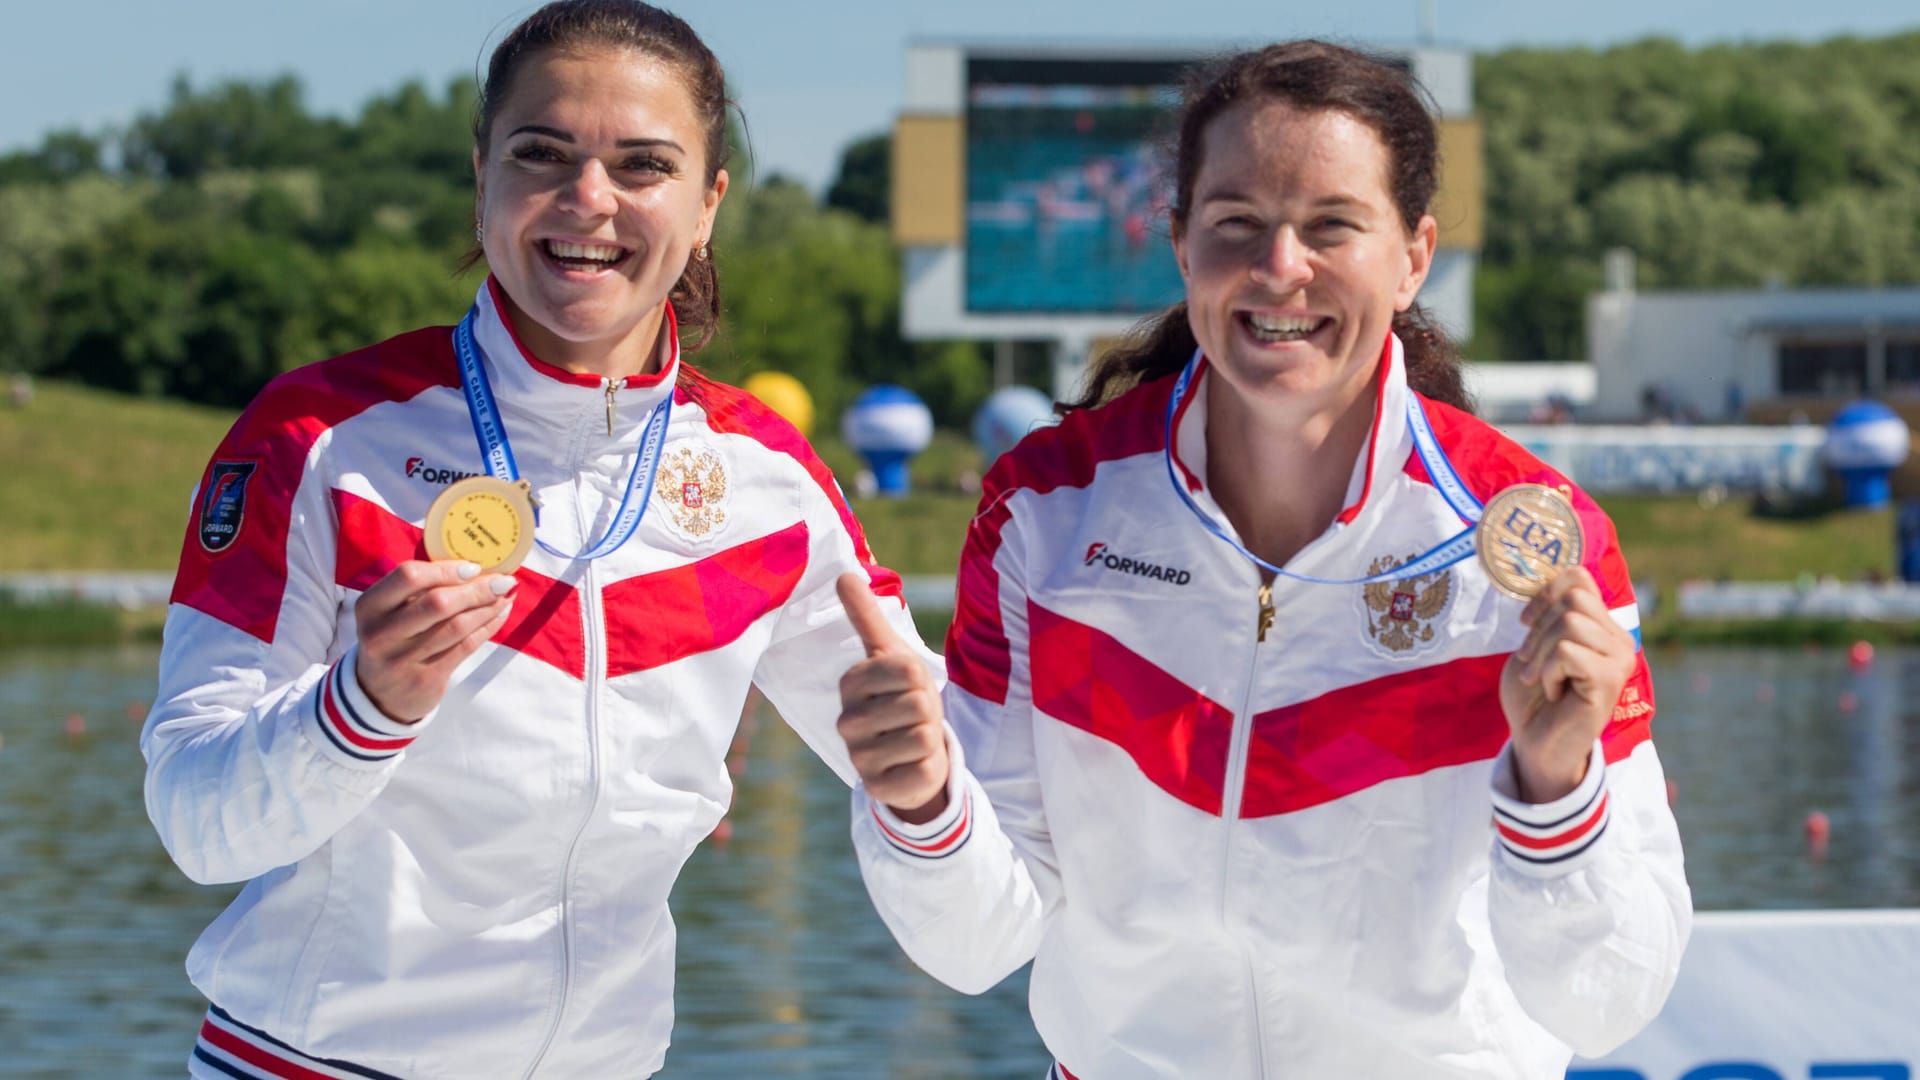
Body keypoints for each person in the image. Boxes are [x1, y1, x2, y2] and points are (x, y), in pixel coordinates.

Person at [836, 41, 1690, 1079]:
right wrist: (921, 806)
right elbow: (978, 945)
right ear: (1181, 244)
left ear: (1414, 254)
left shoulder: (1537, 548)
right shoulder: (1047, 513)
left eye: (1333, 225)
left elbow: (1609, 1002)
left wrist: (1557, 790)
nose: (1281, 268)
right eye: (1237, 223)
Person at [141, 3, 937, 1077]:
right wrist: (361, 707)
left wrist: (930, 775)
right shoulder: (319, 439)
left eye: (643, 164)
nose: (589, 201)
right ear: (483, 175)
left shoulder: (767, 479)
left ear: (707, 206)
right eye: (542, 154)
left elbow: (943, 762)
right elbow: (195, 822)